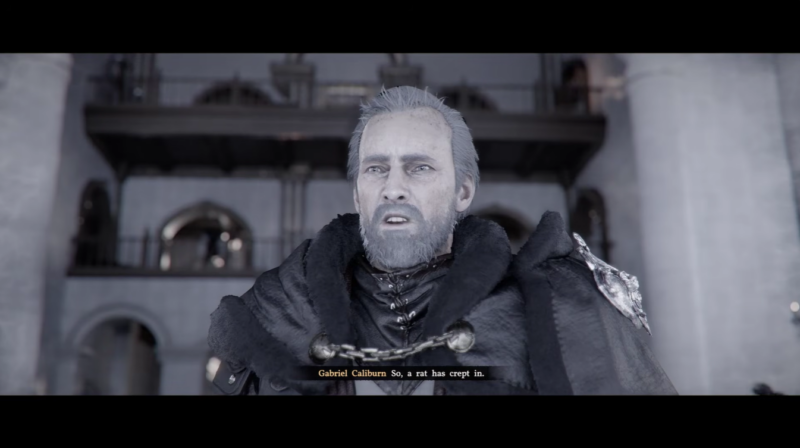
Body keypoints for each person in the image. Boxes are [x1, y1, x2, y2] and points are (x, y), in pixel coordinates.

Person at [207, 86, 677, 395]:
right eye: (376, 168)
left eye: (419, 167)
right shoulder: (280, 306)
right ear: (357, 193)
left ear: (462, 192)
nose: (393, 187)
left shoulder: (556, 305)